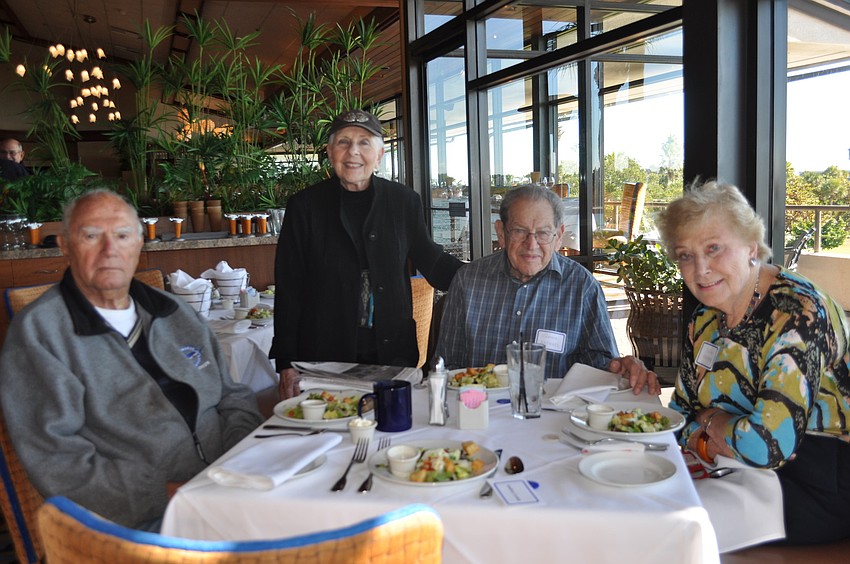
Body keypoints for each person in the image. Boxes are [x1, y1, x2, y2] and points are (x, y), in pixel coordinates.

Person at [0, 189, 263, 531]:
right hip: (139, 522)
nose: (110, 250)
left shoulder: (172, 311)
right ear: (65, 245)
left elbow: (232, 395)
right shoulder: (41, 333)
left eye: (122, 235)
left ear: (139, 245)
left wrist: (241, 463)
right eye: (91, 235)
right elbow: (57, 459)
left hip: (225, 490)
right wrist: (166, 496)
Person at [656, 179, 850, 545]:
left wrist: (710, 419)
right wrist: (711, 439)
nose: (700, 270)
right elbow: (679, 416)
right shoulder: (706, 319)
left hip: (822, 478)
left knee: (669, 529)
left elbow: (767, 445)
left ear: (750, 245)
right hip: (735, 469)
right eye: (685, 255)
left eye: (714, 249)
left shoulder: (795, 311)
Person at [270, 109, 464, 398]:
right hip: (324, 351)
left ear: (380, 154)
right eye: (343, 142)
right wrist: (286, 363)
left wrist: (483, 276)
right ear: (329, 151)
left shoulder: (403, 201)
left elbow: (432, 260)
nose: (353, 152)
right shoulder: (305, 206)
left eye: (364, 143)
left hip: (391, 349)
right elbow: (289, 288)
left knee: (392, 432)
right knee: (331, 432)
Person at [436, 184, 660, 393]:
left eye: (543, 233)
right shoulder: (468, 282)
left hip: (554, 420)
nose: (531, 244)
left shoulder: (581, 287)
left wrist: (621, 367)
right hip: (480, 415)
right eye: (520, 231)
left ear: (559, 236)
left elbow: (600, 364)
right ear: (502, 234)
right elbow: (447, 365)